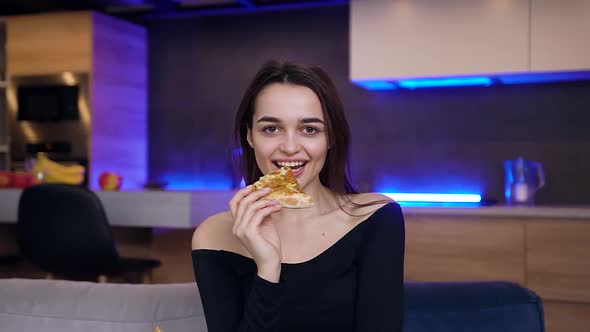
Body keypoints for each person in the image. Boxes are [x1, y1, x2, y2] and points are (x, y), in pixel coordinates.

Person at [191, 60, 405, 332]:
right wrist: (268, 269)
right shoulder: (214, 236)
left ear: (331, 138)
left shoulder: (375, 217)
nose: (290, 147)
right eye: (271, 128)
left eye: (309, 129)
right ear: (250, 136)